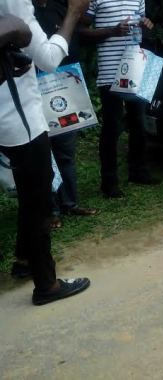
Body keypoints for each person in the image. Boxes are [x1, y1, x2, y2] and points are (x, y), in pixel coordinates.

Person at [0, 0, 91, 305]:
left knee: (30, 194)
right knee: (37, 199)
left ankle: (25, 260)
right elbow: (49, 58)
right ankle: (46, 285)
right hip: (18, 118)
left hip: (6, 117)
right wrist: (74, 13)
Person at [81, 0, 158, 199]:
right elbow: (82, 32)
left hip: (136, 68)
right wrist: (111, 31)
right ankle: (109, 182)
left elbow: (142, 30)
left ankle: (138, 171)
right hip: (109, 72)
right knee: (113, 126)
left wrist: (146, 25)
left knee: (138, 123)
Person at [33, 0, 99, 229]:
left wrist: (77, 11)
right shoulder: (26, 10)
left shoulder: (62, 7)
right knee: (43, 155)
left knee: (66, 150)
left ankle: (70, 203)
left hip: (65, 86)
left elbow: (86, 22)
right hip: (35, 90)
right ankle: (50, 209)